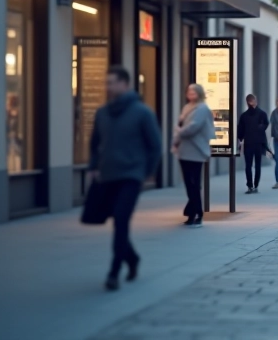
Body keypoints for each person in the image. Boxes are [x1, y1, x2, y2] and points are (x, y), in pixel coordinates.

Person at [88, 66, 161, 291]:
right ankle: (132, 258)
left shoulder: (142, 112)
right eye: (106, 83)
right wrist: (93, 167)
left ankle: (113, 272)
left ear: (125, 84)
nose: (107, 87)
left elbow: (155, 146)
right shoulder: (102, 113)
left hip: (131, 176)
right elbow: (94, 143)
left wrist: (146, 172)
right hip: (108, 176)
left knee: (121, 220)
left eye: (111, 82)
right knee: (117, 223)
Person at [174, 83, 216, 226]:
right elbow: (181, 124)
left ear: (199, 93)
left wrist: (179, 132)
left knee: (194, 183)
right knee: (188, 183)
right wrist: (176, 140)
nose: (191, 93)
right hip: (184, 149)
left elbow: (193, 127)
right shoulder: (187, 107)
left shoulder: (202, 108)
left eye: (194, 91)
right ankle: (193, 211)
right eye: (189, 91)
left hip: (196, 149)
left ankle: (197, 212)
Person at [238, 94, 269, 194]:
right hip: (256, 143)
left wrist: (240, 139)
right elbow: (266, 124)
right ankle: (253, 186)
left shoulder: (246, 115)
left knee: (251, 165)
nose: (252, 103)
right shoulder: (259, 114)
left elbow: (240, 130)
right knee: (253, 165)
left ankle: (252, 186)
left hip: (252, 143)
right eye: (251, 101)